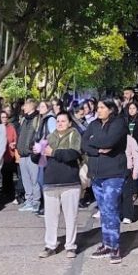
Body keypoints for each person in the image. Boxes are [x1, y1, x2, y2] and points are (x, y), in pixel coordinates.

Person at [83, 99, 127, 264]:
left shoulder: (118, 123)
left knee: (110, 209)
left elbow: (109, 142)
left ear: (110, 109)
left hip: (113, 174)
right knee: (103, 211)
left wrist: (95, 143)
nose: (98, 110)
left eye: (102, 107)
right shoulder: (94, 124)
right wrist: (98, 149)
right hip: (96, 174)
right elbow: (84, 143)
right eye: (98, 107)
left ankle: (114, 245)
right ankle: (106, 243)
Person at [38, 111, 82, 259]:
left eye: (63, 121)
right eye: (58, 121)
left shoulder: (74, 135)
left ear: (69, 123)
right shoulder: (49, 137)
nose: (60, 123)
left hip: (69, 181)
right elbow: (40, 157)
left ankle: (70, 246)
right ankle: (50, 245)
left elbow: (73, 154)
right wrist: (36, 152)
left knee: (71, 216)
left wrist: (54, 152)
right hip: (51, 181)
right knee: (50, 217)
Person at [16, 99, 43, 213]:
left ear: (32, 106)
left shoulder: (37, 119)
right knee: (26, 180)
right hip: (22, 154)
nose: (23, 107)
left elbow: (38, 135)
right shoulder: (23, 119)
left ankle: (36, 201)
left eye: (26, 105)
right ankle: (29, 200)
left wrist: (33, 148)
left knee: (34, 180)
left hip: (31, 154)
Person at [122, 125, 138, 224]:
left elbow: (136, 157)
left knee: (127, 194)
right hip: (114, 170)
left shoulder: (130, 140)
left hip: (127, 169)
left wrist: (136, 171)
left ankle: (128, 215)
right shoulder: (113, 139)